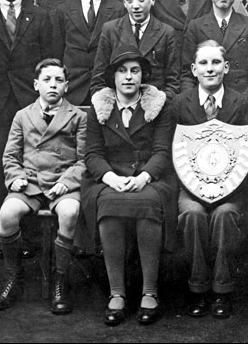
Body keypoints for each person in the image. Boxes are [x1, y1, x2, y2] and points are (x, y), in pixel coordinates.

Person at [80, 45, 176, 326]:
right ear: (113, 78)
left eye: (135, 71)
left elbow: (162, 151)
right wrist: (110, 177)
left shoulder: (160, 105)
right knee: (108, 203)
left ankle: (149, 291)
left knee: (147, 203)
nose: (128, 77)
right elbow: (93, 154)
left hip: (150, 177)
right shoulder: (100, 107)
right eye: (122, 71)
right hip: (110, 177)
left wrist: (143, 176)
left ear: (143, 76)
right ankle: (117, 293)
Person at [0, 58, 87, 315]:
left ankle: (60, 280)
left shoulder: (78, 117)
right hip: (30, 182)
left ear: (66, 86)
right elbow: (10, 156)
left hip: (63, 181)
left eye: (58, 80)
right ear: (36, 85)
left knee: (69, 213)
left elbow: (85, 159)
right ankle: (14, 277)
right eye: (47, 80)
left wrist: (66, 183)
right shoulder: (22, 116)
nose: (52, 85)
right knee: (7, 215)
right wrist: (15, 177)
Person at [0, 0, 53, 260]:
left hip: (29, 105)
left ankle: (34, 240)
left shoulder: (39, 16)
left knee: (34, 168)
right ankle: (3, 239)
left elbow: (50, 58)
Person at [174, 40, 248, 319]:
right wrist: (195, 185)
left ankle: (221, 290)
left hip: (231, 187)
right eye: (203, 64)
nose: (210, 69)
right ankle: (197, 288)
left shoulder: (240, 103)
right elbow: (174, 149)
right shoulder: (180, 103)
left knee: (225, 214)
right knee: (192, 214)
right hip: (191, 186)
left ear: (226, 67)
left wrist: (227, 187)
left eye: (216, 63)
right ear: (193, 69)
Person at [52, 0, 126, 106]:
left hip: (106, 89)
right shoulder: (63, 10)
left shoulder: (119, 10)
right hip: (72, 89)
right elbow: (57, 53)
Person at [90, 0, 179, 100]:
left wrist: (158, 106)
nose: (135, 5)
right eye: (130, 0)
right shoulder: (110, 30)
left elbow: (173, 82)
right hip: (119, 109)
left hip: (154, 109)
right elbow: (99, 80)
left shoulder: (166, 32)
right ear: (124, 2)